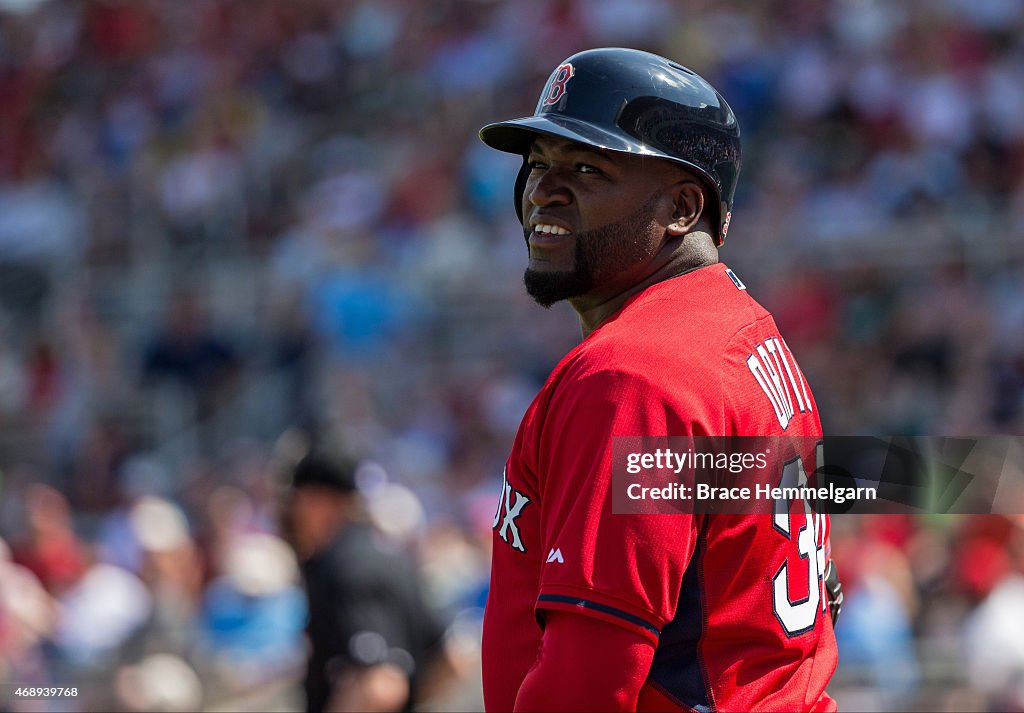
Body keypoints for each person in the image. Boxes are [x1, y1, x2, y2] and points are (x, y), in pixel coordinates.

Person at [477, 48, 841, 712]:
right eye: (538, 164)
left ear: (682, 206)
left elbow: (586, 685)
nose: (542, 191)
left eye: (586, 167)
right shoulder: (740, 329)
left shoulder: (633, 375)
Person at [279, 444, 447, 712]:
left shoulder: (343, 567)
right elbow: (452, 658)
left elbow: (381, 686)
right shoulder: (388, 556)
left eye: (297, 498)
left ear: (317, 500)